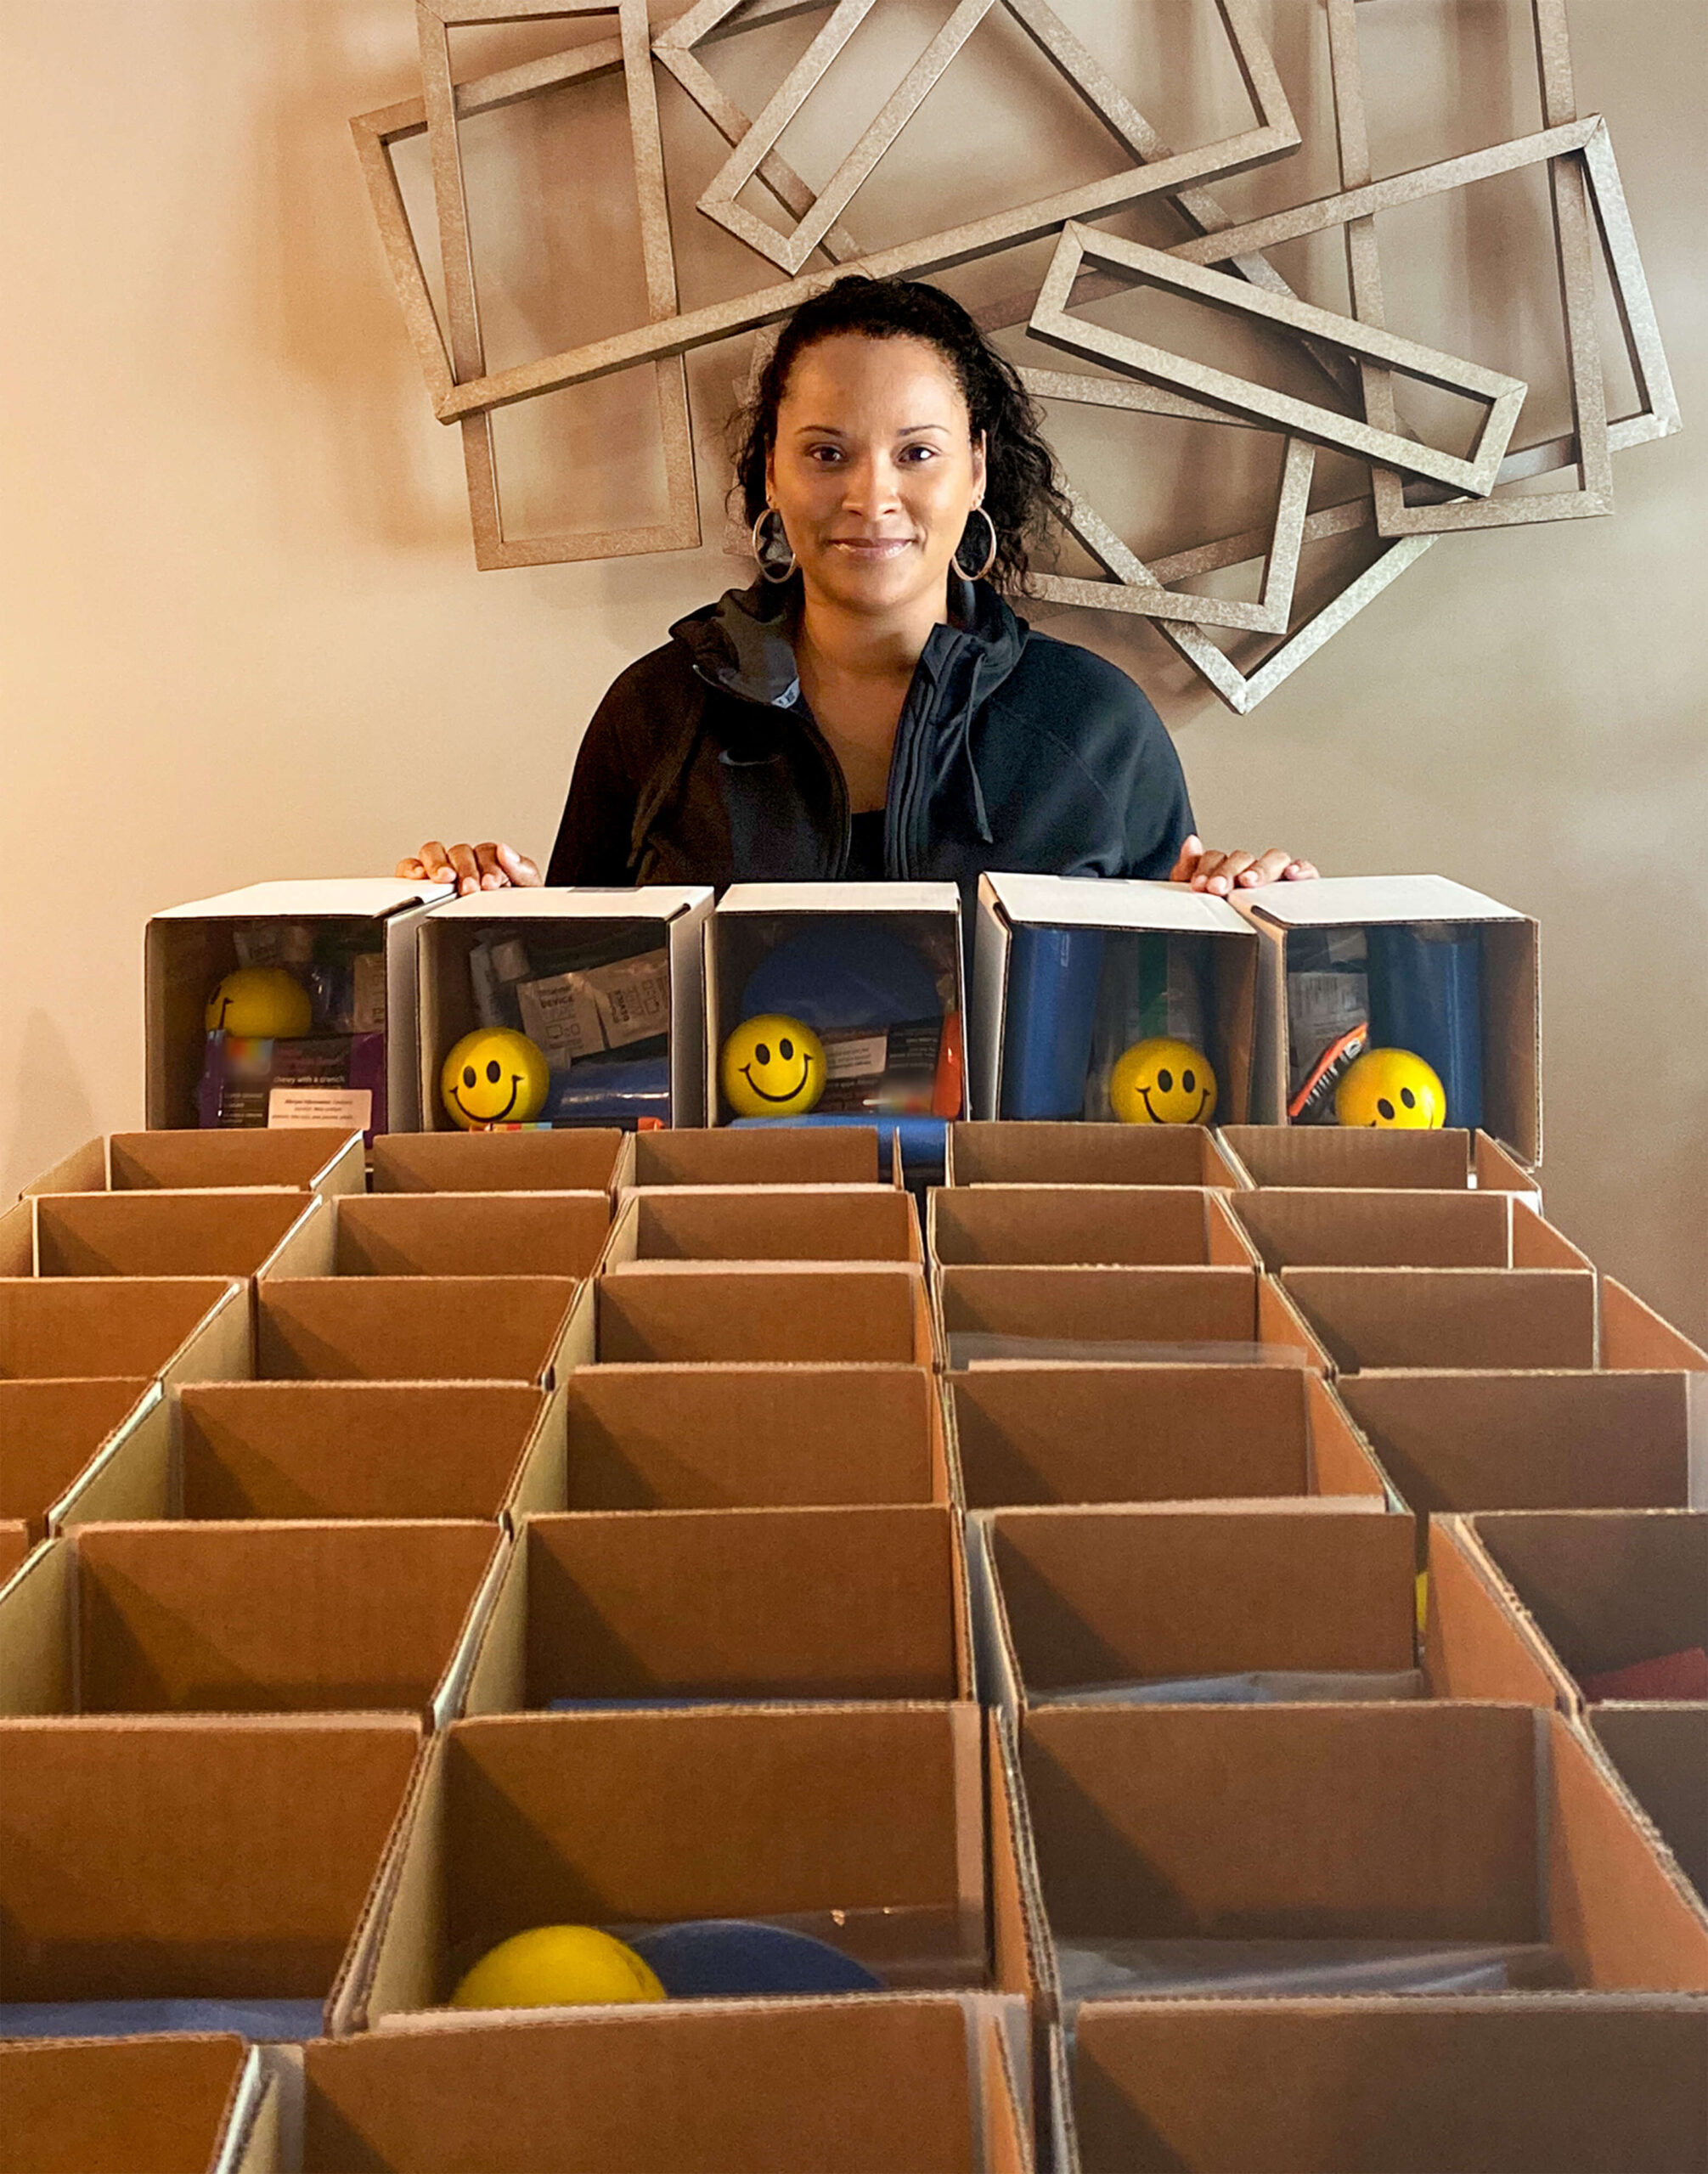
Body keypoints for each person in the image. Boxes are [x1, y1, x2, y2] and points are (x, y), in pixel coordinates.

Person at [399, 275, 1315, 898]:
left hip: (1013, 1193)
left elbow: (1172, 1036)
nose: (871, 495)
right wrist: (493, 922)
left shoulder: (1095, 725)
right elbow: (572, 1041)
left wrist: (1240, 913)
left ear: (977, 472)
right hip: (719, 1192)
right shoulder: (656, 715)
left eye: (917, 452)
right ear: (768, 473)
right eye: (826, 452)